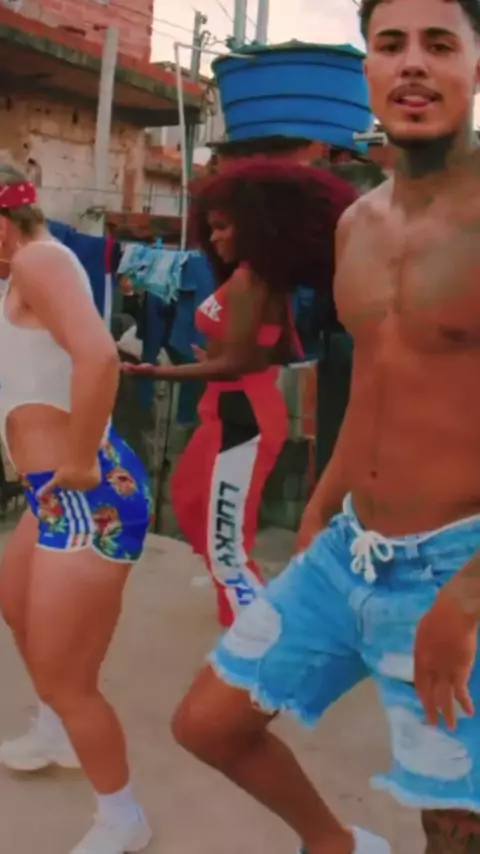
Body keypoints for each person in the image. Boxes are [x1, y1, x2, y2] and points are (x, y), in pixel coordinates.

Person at [169, 1, 480, 852]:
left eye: (439, 44)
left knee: (454, 821)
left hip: (458, 558)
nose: (412, 63)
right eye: (390, 44)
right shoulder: (357, 224)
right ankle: (337, 844)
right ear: (367, 69)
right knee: (209, 724)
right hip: (349, 543)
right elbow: (375, 384)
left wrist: (465, 599)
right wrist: (321, 505)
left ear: (474, 64)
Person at [123, 158, 357, 628]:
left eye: (223, 228)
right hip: (225, 408)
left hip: (243, 415)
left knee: (225, 536)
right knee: (190, 500)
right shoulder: (251, 278)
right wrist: (217, 352)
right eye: (210, 228)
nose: (214, 239)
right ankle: (233, 585)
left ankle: (253, 624)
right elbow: (273, 349)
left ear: (254, 227)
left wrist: (161, 372)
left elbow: (242, 364)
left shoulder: (252, 281)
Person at [0, 161, 152, 854]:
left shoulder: (41, 261)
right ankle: (56, 730)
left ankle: (122, 816)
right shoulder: (26, 268)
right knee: (16, 604)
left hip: (89, 492)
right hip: (52, 490)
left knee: (70, 675)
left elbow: (100, 358)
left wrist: (84, 458)